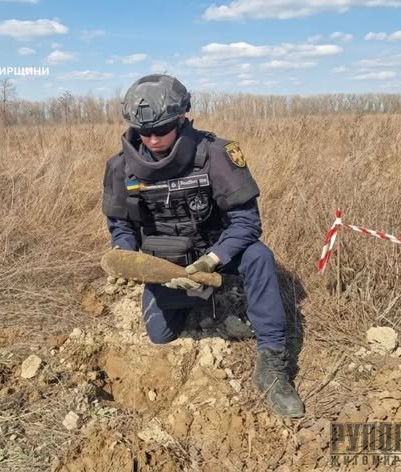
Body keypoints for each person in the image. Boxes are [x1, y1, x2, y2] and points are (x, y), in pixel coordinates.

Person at [101, 74, 304, 418]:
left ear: (182, 118)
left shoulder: (216, 154)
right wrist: (127, 256)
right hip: (164, 263)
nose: (153, 139)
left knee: (258, 256)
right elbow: (121, 226)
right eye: (144, 132)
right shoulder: (120, 167)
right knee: (161, 336)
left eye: (162, 129)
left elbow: (246, 222)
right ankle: (203, 302)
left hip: (215, 251)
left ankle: (272, 364)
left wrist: (212, 259)